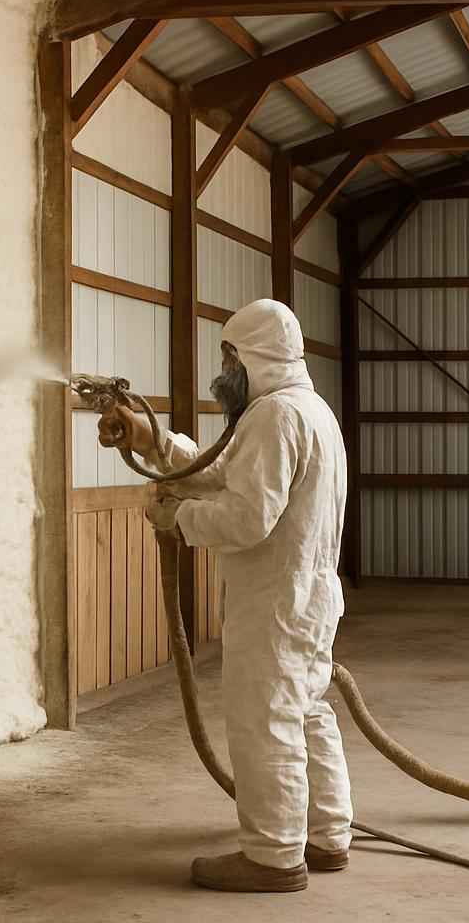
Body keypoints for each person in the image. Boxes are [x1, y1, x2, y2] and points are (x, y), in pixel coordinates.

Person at [98, 298, 351, 894]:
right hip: (309, 597)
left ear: (250, 356)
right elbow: (221, 471)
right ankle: (326, 835)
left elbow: (245, 517)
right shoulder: (306, 410)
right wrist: (151, 436)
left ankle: (272, 856)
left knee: (264, 722)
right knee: (307, 712)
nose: (223, 371)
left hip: (274, 602)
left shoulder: (273, 418)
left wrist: (177, 519)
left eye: (228, 356)